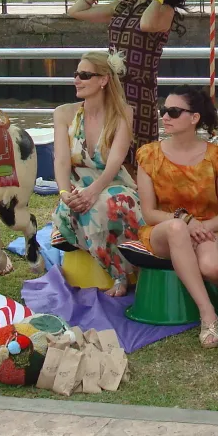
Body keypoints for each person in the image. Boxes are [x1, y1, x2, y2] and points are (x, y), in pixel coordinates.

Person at [134, 86, 218, 347]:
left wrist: (200, 227)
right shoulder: (149, 155)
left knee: (213, 268)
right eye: (163, 110)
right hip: (162, 230)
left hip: (207, 228)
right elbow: (149, 213)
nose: (165, 116)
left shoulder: (217, 156)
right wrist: (186, 222)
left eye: (174, 111)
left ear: (194, 118)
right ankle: (208, 313)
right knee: (177, 229)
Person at [67, 0, 186, 153]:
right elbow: (75, 11)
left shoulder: (165, 10)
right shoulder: (123, 5)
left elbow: (146, 24)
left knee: (137, 147)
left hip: (139, 90)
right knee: (107, 144)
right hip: (112, 87)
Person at [51, 49, 144, 294]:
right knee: (78, 208)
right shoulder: (63, 114)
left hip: (112, 184)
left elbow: (114, 162)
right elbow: (61, 161)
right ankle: (118, 271)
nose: (77, 80)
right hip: (77, 189)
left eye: (84, 75)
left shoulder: (123, 113)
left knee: (104, 205)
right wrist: (64, 193)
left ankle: (121, 275)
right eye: (76, 74)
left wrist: (92, 192)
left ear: (103, 80)